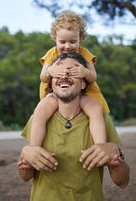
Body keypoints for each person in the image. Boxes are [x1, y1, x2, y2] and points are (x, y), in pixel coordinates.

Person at [18, 53, 130, 201]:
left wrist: (116, 154)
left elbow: (122, 182)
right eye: (58, 72)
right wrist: (26, 158)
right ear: (51, 83)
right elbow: (26, 177)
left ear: (83, 83)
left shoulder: (100, 119)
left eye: (72, 71)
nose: (64, 75)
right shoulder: (39, 118)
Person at [30, 10, 108, 147]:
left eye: (73, 41)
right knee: (42, 109)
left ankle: (100, 145)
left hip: (83, 92)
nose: (67, 46)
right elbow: (43, 77)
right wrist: (50, 71)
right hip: (54, 93)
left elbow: (93, 77)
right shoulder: (51, 53)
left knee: (94, 108)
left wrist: (84, 72)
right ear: (55, 38)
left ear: (81, 37)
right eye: (62, 41)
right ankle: (34, 146)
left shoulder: (85, 53)